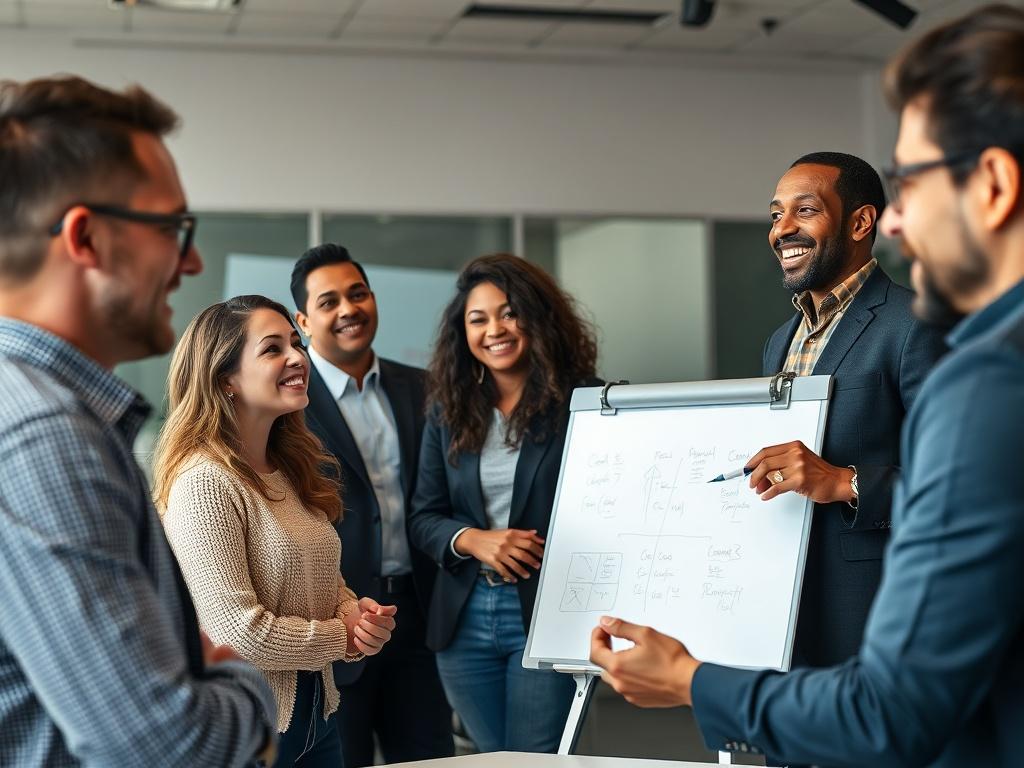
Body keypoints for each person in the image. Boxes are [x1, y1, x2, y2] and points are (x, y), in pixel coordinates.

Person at [590, 5, 1024, 766]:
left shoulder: (974, 369)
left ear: (991, 185)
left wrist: (694, 679)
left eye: (911, 181)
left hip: (890, 652)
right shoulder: (779, 338)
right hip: (786, 613)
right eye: (772, 213)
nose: (898, 222)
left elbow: (893, 711)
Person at [0, 76, 278, 766]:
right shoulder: (43, 439)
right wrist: (248, 688)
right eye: (171, 228)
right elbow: (165, 746)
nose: (193, 261)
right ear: (86, 237)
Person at [154, 295, 397, 767]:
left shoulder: (288, 468)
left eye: (296, 342)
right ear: (225, 378)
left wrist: (356, 614)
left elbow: (324, 578)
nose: (297, 357)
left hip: (316, 713)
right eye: (272, 349)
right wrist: (340, 637)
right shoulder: (205, 482)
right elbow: (235, 633)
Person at [748, 151, 947, 670]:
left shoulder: (914, 325)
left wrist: (844, 481)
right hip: (778, 605)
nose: (781, 230)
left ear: (861, 222)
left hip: (869, 612)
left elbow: (958, 487)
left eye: (804, 211)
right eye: (775, 214)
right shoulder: (779, 342)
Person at [408, 254, 601, 753]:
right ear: (463, 332)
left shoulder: (584, 402)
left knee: (534, 761)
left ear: (537, 317)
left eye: (509, 312)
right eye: (479, 319)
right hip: (463, 618)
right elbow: (423, 515)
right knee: (490, 760)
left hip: (545, 612)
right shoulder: (447, 410)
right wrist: (473, 539)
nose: (495, 328)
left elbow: (607, 512)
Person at [291, 244, 454, 766]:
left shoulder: (422, 387)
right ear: (303, 320)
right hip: (338, 624)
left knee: (431, 756)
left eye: (357, 294)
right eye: (329, 301)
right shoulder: (288, 400)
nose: (348, 310)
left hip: (416, 615)